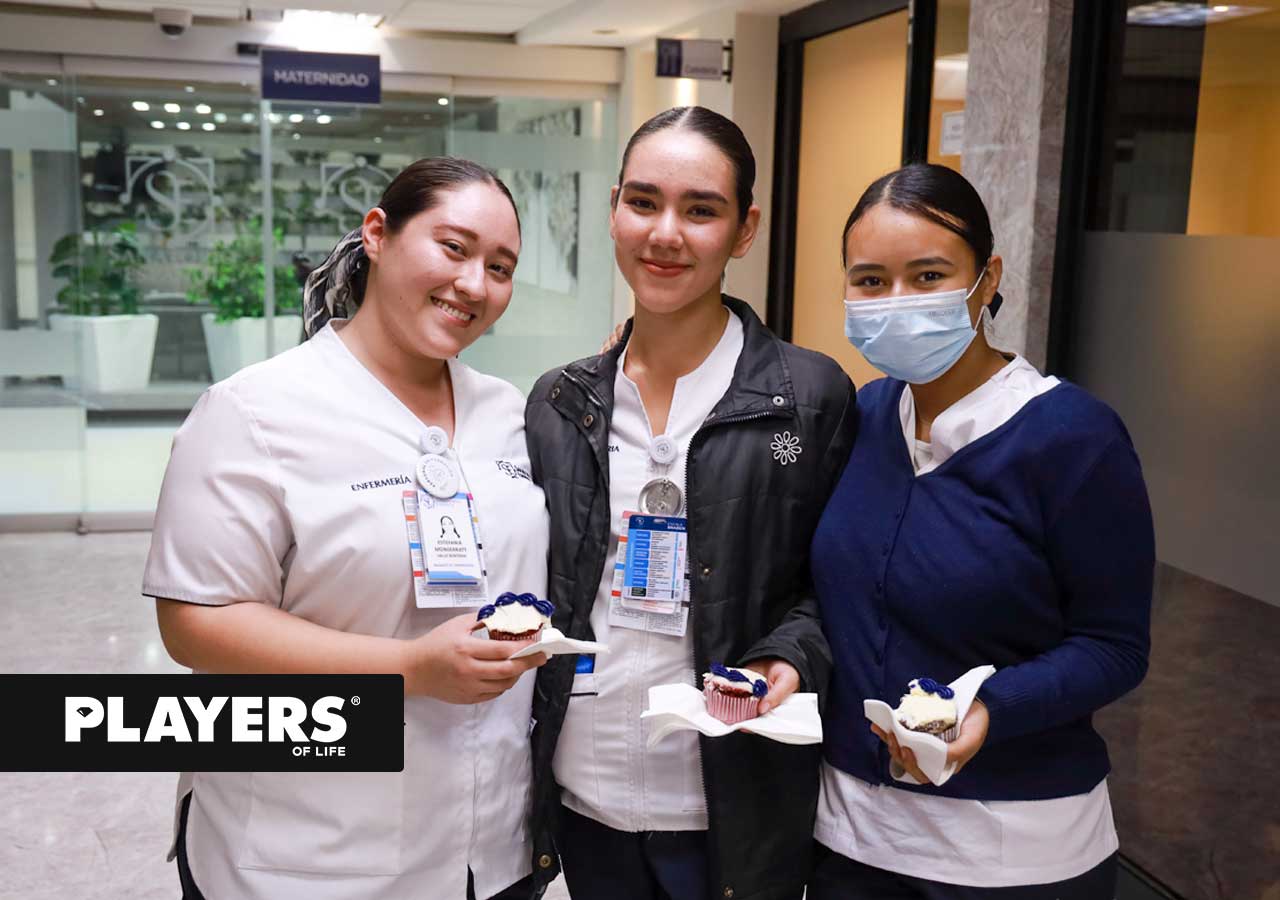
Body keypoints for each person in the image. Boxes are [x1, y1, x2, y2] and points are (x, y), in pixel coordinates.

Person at [143, 157, 550, 900]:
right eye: (453, 248)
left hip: (488, 850)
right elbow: (196, 623)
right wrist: (411, 667)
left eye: (500, 267)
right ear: (377, 235)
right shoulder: (253, 412)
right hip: (304, 855)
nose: (474, 284)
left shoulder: (511, 413)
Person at [524, 106, 858, 900]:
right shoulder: (560, 402)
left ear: (745, 230)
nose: (665, 233)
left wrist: (788, 656)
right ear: (614, 209)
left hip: (733, 797)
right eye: (644, 202)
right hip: (586, 786)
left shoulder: (808, 399)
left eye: (700, 210)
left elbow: (839, 583)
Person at [809, 163, 1153, 899]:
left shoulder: (1073, 438)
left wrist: (993, 707)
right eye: (870, 281)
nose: (897, 301)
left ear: (987, 278)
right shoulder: (864, 416)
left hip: (1012, 854)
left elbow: (1114, 647)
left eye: (928, 275)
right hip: (850, 840)